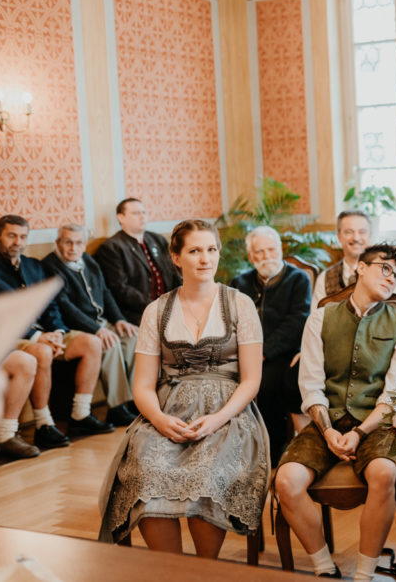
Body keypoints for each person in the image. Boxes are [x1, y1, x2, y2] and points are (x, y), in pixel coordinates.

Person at [99, 220, 269, 556]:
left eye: (211, 249)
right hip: (168, 413)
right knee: (145, 475)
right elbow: (143, 386)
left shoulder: (240, 305)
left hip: (229, 415)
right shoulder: (156, 310)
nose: (205, 258)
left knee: (206, 476)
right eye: (194, 251)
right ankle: (173, 572)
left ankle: (205, 570)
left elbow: (251, 380)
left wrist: (218, 418)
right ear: (176, 257)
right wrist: (160, 421)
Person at [274, 244, 396, 582]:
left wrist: (360, 432)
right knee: (286, 481)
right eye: (384, 268)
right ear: (361, 269)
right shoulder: (322, 317)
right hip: (327, 421)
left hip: (377, 424)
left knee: (383, 473)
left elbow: (395, 391)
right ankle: (324, 566)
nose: (391, 278)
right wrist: (327, 431)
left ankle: (364, 574)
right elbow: (310, 384)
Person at [0, 215, 114, 450]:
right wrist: (36, 336)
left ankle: (80, 415)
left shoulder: (33, 265)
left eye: (22, 237)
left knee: (91, 342)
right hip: (12, 338)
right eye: (11, 236)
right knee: (41, 352)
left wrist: (58, 331)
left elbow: (49, 305)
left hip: (47, 333)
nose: (17, 242)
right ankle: (43, 425)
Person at [42, 224, 140, 426]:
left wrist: (119, 319)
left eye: (78, 243)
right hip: (77, 327)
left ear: (84, 244)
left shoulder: (88, 261)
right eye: (68, 242)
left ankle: (134, 402)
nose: (73, 248)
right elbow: (65, 307)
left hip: (101, 322)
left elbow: (105, 293)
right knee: (110, 344)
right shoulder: (50, 266)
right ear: (58, 243)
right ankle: (117, 407)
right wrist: (98, 330)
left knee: (134, 339)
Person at [230, 225, 311, 463]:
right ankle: (236, 449)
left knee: (266, 384)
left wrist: (263, 352)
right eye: (260, 252)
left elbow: (296, 321)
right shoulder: (240, 281)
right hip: (244, 352)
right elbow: (232, 319)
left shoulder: (298, 279)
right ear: (251, 256)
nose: (266, 256)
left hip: (285, 353)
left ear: (280, 250)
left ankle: (274, 451)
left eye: (271, 250)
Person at [95, 198, 181, 326]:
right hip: (137, 312)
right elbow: (120, 289)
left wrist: (181, 300)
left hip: (168, 306)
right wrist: (155, 306)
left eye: (144, 213)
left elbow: (174, 274)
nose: (142, 217)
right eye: (136, 213)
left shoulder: (157, 240)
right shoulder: (111, 248)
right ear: (121, 218)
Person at [313, 210, 396, 308]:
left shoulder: (392, 276)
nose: (356, 238)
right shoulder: (324, 278)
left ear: (370, 235)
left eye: (362, 232)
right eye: (349, 232)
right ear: (339, 237)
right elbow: (317, 318)